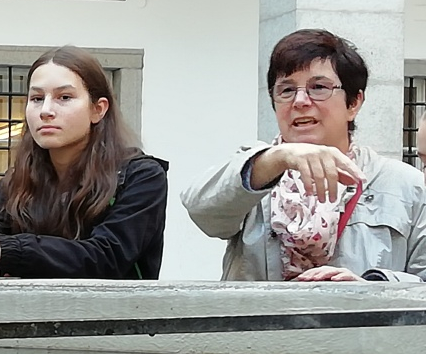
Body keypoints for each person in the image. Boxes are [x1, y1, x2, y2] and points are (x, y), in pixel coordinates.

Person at [182, 28, 426, 282]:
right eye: (286, 90)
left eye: (318, 87)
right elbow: (203, 212)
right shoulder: (255, 169)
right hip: (261, 311)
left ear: (354, 103)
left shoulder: (405, 185)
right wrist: (277, 159)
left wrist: (372, 288)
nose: (300, 101)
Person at [0, 45, 169, 307]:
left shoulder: (141, 176)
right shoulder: (18, 178)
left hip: (112, 322)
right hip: (27, 321)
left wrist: (0, 250)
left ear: (98, 109)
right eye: (36, 98)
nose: (45, 110)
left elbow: (106, 258)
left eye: (64, 97)